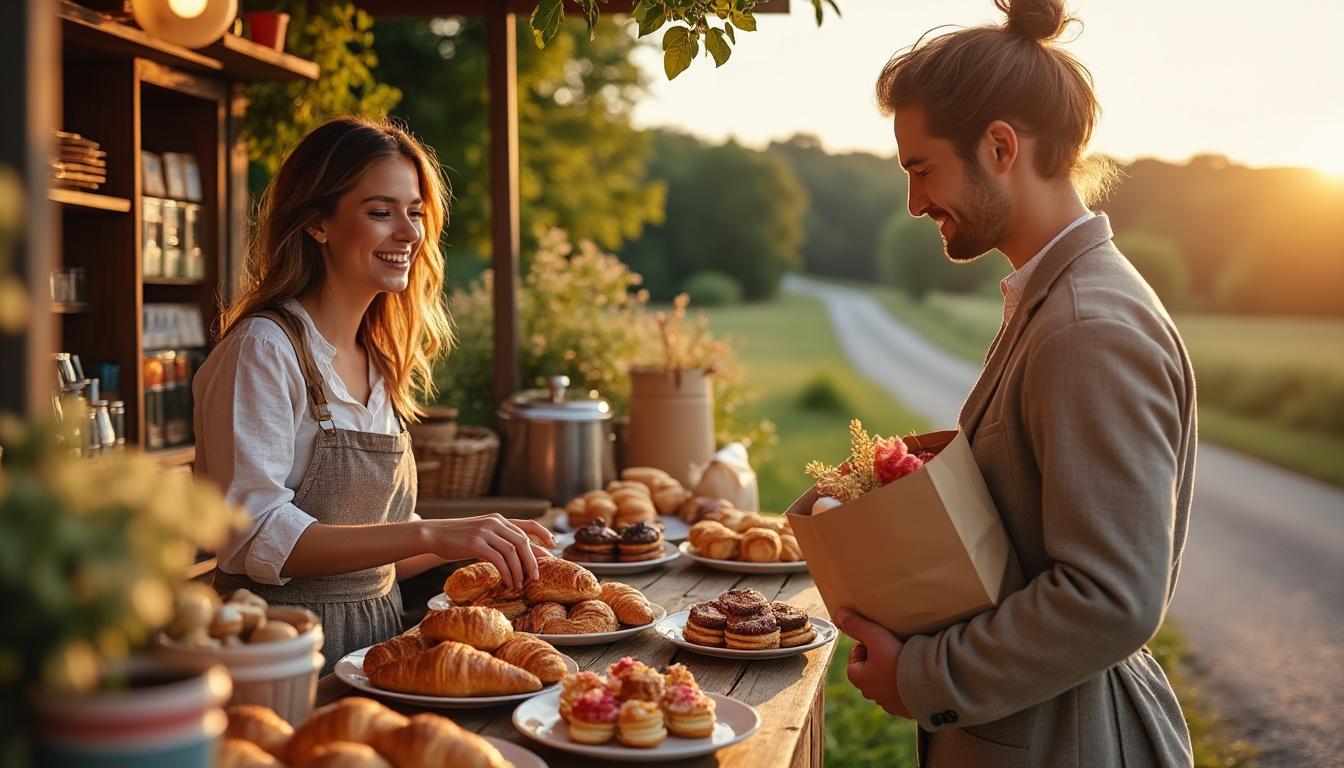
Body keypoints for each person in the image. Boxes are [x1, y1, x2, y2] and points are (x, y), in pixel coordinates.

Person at [832, 0, 1198, 765]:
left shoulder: (1088, 326)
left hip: (1068, 740)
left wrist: (926, 675)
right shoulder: (1054, 299)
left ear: (1000, 146)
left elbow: (1111, 598)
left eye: (921, 168)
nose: (914, 202)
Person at [194, 116, 553, 670]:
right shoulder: (263, 349)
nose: (409, 234)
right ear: (318, 222)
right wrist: (432, 530)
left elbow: (377, 562)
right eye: (381, 212)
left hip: (380, 647)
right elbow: (252, 537)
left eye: (415, 213)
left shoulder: (379, 361)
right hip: (280, 651)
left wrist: (486, 541)